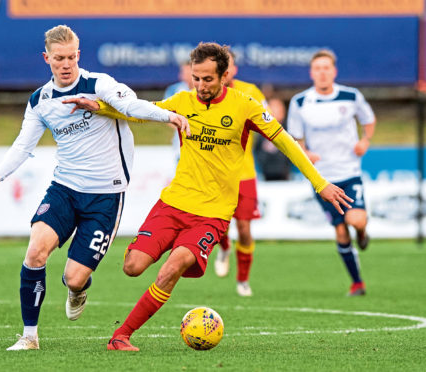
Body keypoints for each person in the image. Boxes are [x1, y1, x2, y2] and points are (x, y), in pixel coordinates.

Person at [64, 42, 352, 352]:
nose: (200, 86)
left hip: (212, 214)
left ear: (225, 75)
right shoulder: (183, 101)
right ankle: (169, 250)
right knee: (132, 266)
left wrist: (319, 183)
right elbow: (142, 113)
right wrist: (102, 107)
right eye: (195, 78)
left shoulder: (246, 106)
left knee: (170, 269)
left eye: (207, 79)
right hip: (173, 203)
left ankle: (121, 336)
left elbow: (286, 142)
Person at [0, 25, 189, 351]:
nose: (66, 63)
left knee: (74, 276)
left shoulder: (100, 84)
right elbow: (23, 146)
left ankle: (78, 286)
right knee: (35, 251)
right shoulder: (40, 101)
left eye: (71, 57)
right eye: (59, 58)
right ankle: (29, 336)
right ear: (47, 58)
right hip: (65, 188)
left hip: (106, 195)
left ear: (78, 55)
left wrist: (167, 116)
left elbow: (131, 106)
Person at [287, 49, 375, 297]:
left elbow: (368, 119)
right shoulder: (300, 102)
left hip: (349, 171)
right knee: (339, 230)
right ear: (312, 72)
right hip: (322, 178)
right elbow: (295, 138)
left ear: (334, 71)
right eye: (318, 68)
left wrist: (365, 140)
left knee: (354, 220)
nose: (322, 73)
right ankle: (357, 283)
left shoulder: (350, 96)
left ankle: (363, 232)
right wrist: (306, 153)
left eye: (327, 68)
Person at [212, 50, 268, 297]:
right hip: (216, 174)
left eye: (229, 65)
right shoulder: (204, 94)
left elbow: (266, 121)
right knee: (219, 227)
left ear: (233, 69)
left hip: (244, 174)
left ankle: (243, 280)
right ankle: (223, 248)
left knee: (244, 229)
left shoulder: (251, 92)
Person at [253, 96, 291, 181]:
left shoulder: (289, 130)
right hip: (265, 175)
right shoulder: (260, 131)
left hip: (286, 176)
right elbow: (257, 152)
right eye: (273, 109)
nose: (276, 112)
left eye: (279, 108)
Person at [166, 60, 195, 159]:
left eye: (186, 72)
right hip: (180, 141)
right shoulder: (174, 90)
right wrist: (183, 127)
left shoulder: (205, 90)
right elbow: (165, 115)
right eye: (183, 71)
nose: (183, 75)